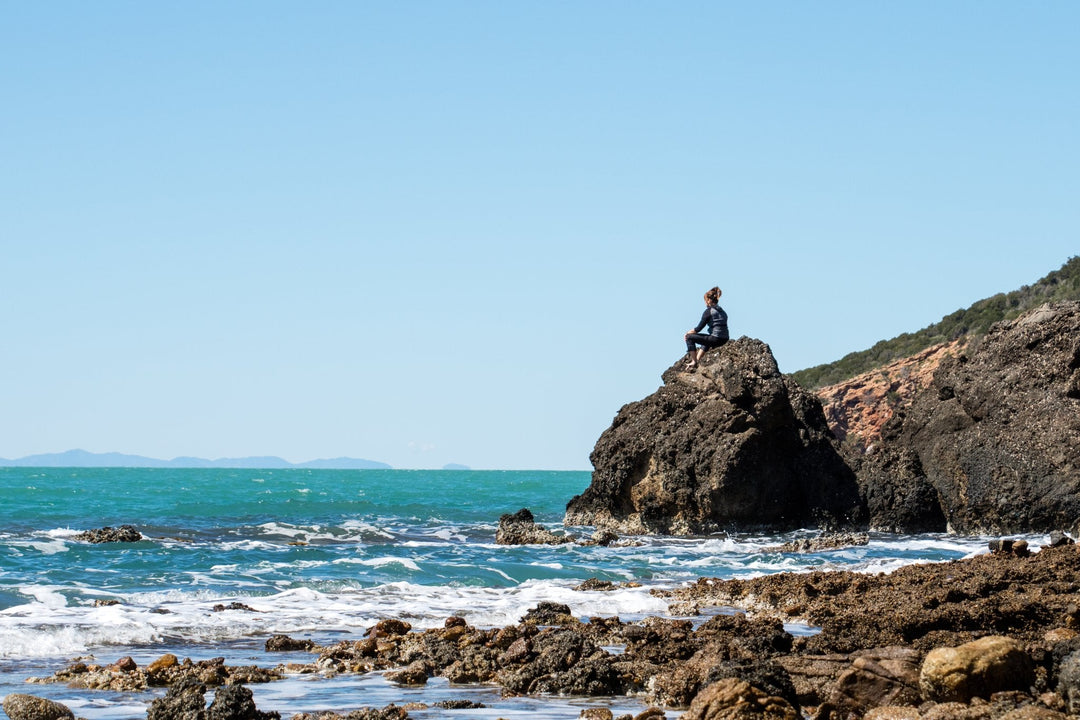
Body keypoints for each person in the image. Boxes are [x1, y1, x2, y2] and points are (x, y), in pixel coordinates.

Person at [683, 286, 729, 370]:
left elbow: (698, 329)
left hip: (716, 339)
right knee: (707, 340)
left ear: (708, 300)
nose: (705, 303)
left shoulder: (709, 311)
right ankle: (697, 360)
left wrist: (687, 333)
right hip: (725, 339)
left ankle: (694, 361)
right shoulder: (723, 311)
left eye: (705, 301)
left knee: (689, 337)